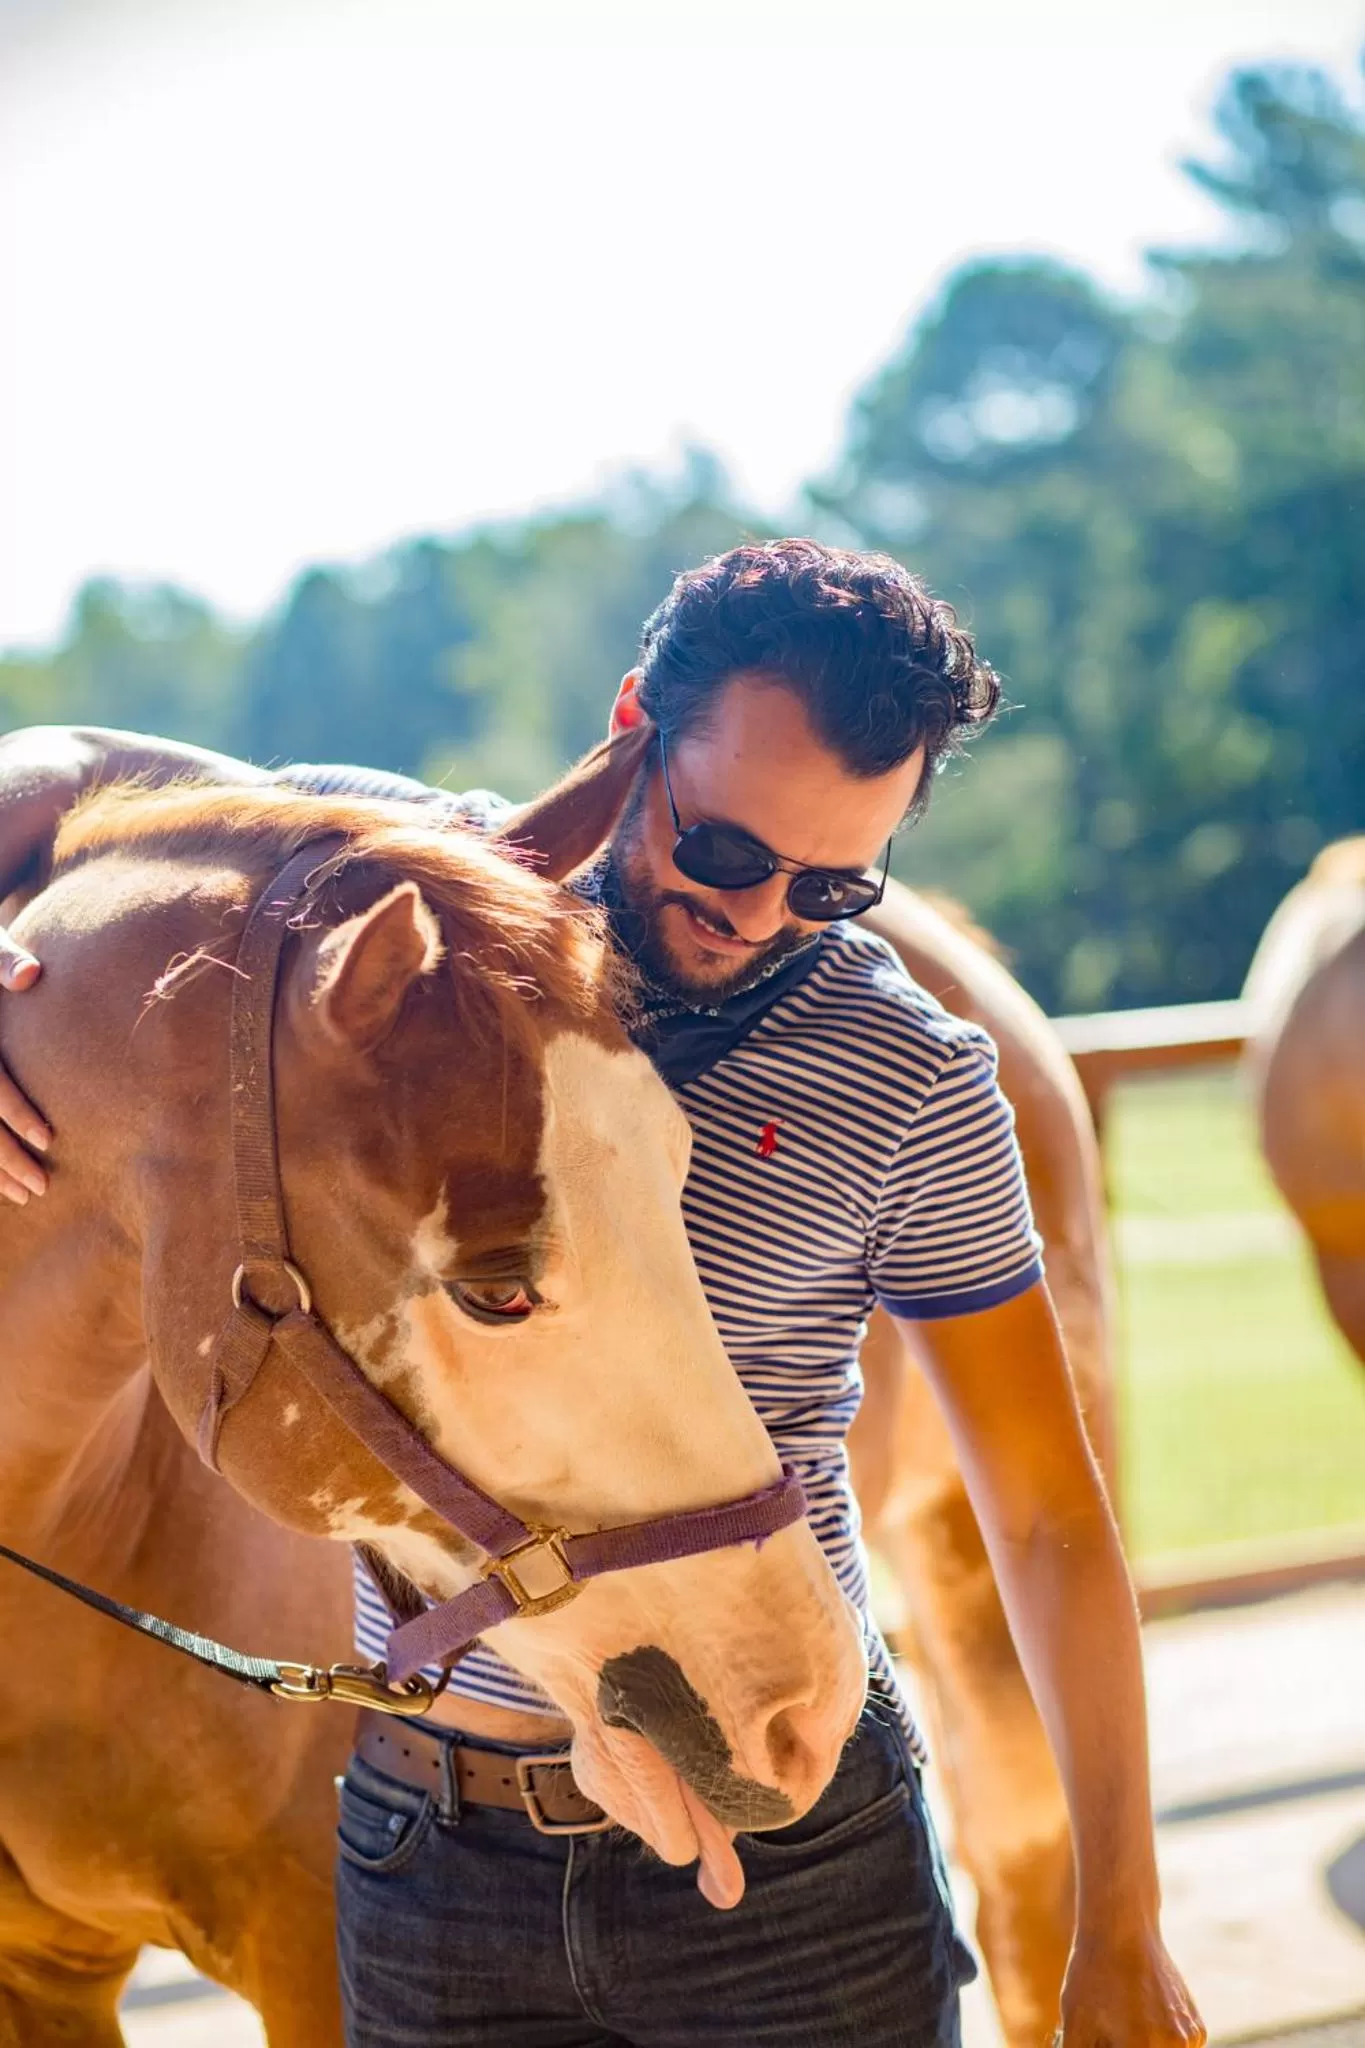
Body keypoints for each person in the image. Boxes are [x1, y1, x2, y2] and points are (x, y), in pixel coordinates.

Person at [0, 540, 1204, 2048]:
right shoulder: (437, 898)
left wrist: (1127, 1920)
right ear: (634, 728)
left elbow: (1040, 1516)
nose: (762, 916)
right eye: (725, 855)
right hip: (428, 1842)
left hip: (790, 1860)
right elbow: (72, 772)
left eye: (838, 882)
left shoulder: (913, 1074)